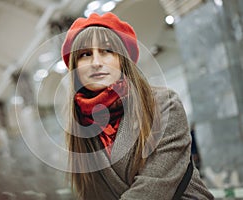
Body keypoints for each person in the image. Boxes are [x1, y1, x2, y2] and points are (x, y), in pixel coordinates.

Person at [61, 12, 213, 200]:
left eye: (107, 51)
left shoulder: (164, 104)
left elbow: (155, 185)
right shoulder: (80, 125)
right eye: (85, 54)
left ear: (122, 60)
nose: (96, 62)